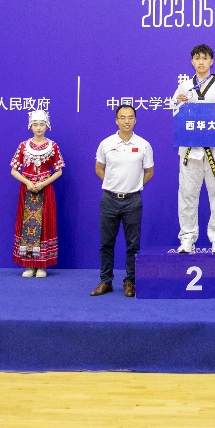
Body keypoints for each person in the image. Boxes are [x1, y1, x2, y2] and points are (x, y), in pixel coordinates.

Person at [172, 43, 215, 254]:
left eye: (205, 58)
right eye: (197, 58)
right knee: (187, 195)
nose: (201, 62)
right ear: (192, 61)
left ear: (211, 61)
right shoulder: (184, 86)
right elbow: (176, 116)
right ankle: (187, 238)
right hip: (191, 151)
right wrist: (178, 104)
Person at [92, 104, 154, 297]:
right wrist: (112, 184)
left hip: (133, 201)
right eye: (122, 117)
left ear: (135, 120)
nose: (126, 121)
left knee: (133, 245)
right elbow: (99, 168)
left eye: (130, 117)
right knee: (106, 243)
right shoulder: (106, 143)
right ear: (116, 120)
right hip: (109, 200)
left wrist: (135, 185)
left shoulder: (144, 145)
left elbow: (149, 171)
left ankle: (130, 281)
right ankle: (106, 281)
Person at [9, 109, 64, 278]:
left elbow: (59, 171)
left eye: (41, 124)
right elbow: (14, 170)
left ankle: (42, 265)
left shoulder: (53, 146)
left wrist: (42, 184)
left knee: (45, 224)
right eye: (35, 124)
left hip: (45, 190)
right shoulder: (23, 146)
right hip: (27, 191)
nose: (38, 127)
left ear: (47, 126)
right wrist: (28, 182)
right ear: (30, 126)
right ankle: (29, 264)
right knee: (27, 225)